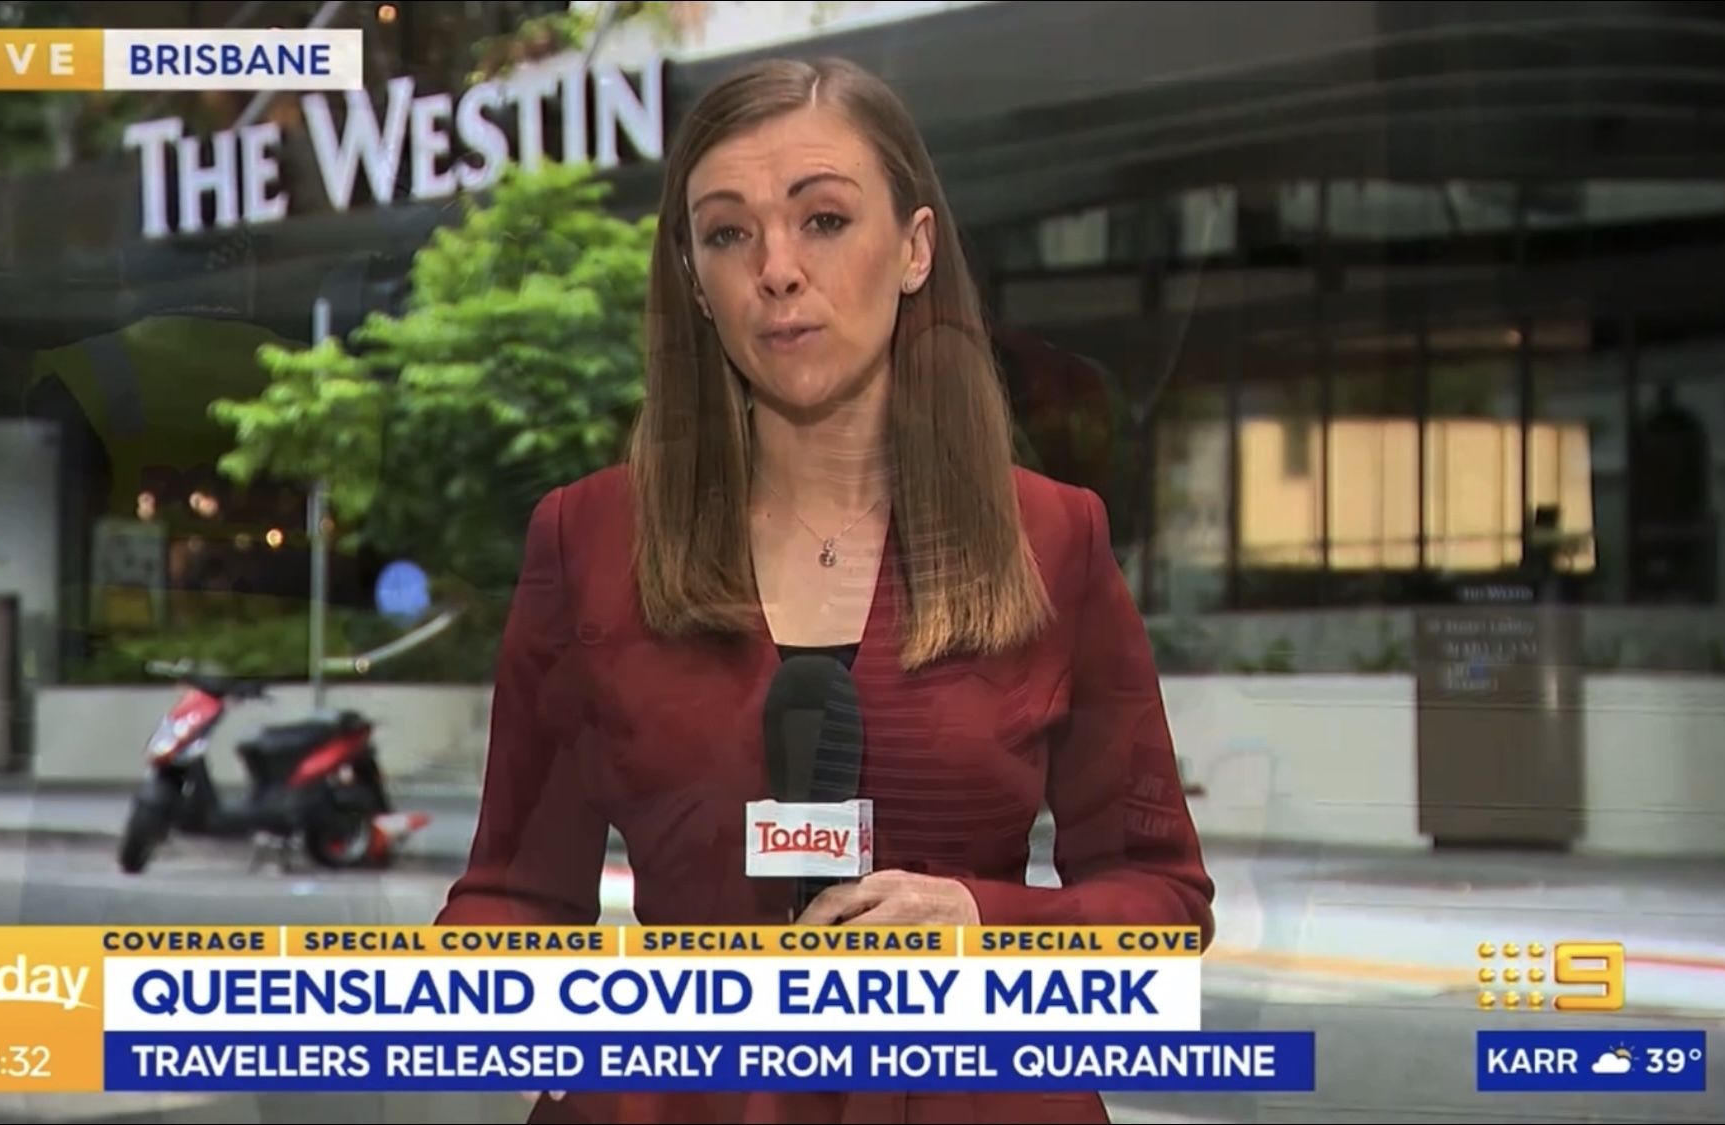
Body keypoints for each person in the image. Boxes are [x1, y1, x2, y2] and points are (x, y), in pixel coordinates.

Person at [436, 55, 1216, 1125]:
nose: (775, 270)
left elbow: (1161, 905)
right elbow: (513, 899)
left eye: (823, 221)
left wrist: (981, 924)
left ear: (914, 249)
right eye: (726, 234)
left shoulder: (1053, 538)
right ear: (694, 282)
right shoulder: (588, 540)